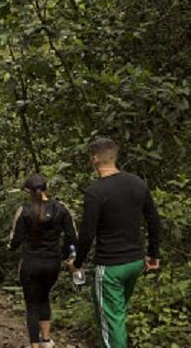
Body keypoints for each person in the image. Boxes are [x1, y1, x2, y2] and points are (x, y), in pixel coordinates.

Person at [68, 137, 161, 348]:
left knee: (111, 322)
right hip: (135, 263)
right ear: (114, 157)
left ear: (94, 159)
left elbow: (87, 234)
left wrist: (77, 262)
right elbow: (154, 220)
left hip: (110, 268)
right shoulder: (138, 183)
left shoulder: (95, 192)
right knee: (115, 317)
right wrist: (153, 254)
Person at [9, 174, 77, 348]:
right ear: (47, 188)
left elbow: (14, 241)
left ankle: (34, 345)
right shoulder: (61, 209)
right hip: (52, 264)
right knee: (44, 297)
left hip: (30, 263)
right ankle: (46, 340)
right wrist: (64, 255)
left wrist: (12, 248)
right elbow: (72, 236)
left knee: (32, 304)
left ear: (27, 191)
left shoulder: (24, 210)